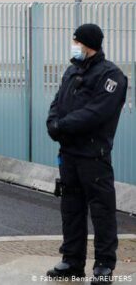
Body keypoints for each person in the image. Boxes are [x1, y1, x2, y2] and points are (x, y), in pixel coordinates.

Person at [46, 24, 127, 284]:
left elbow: (97, 112)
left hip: (93, 156)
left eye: (76, 41)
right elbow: (57, 103)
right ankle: (71, 261)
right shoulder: (72, 70)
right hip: (69, 155)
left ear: (87, 43)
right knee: (71, 209)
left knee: (102, 212)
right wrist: (53, 123)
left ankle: (104, 265)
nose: (73, 45)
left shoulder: (112, 75)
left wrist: (62, 125)